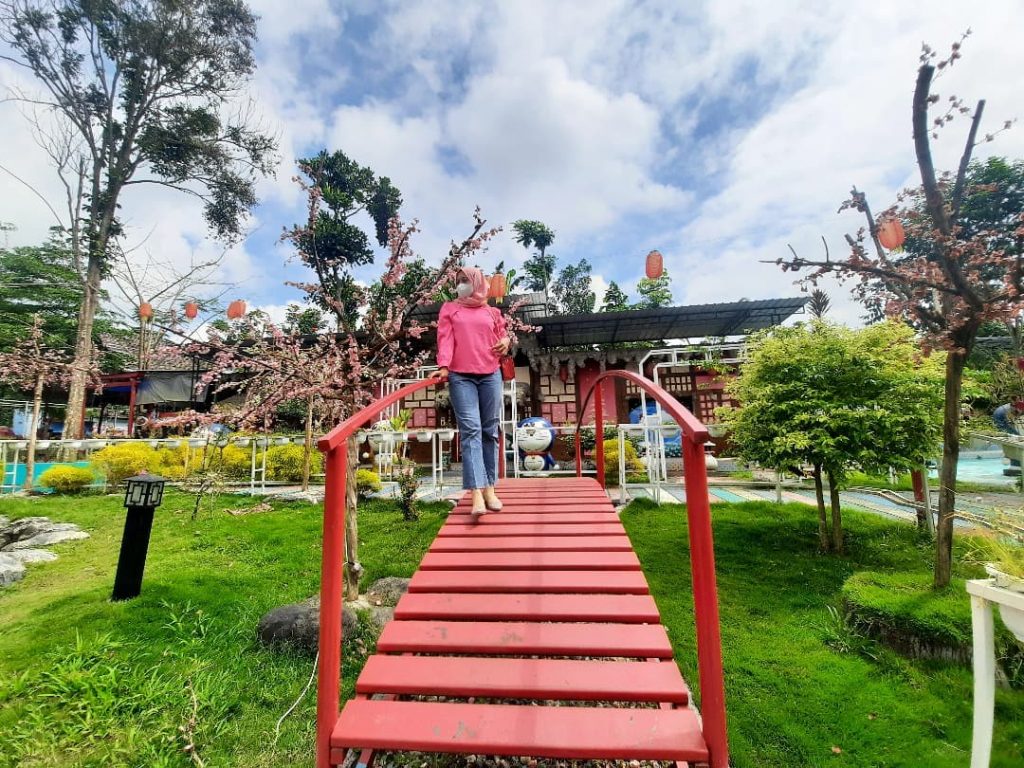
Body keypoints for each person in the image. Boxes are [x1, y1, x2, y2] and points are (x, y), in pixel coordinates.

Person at [432, 267, 512, 516]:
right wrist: (444, 366)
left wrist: (507, 342)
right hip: (460, 375)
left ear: (478, 282)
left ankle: (490, 488)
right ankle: (476, 492)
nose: (462, 285)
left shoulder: (493, 312)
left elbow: (502, 338)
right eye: (458, 281)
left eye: (466, 280)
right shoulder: (450, 309)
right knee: (471, 431)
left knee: (490, 431)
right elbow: (445, 339)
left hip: (490, 374)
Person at [993, 400, 1024, 467]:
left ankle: (1011, 459)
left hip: (1000, 420)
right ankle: (1015, 461)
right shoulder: (1010, 409)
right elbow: (1011, 419)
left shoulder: (1010, 406)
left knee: (1015, 437)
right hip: (1001, 422)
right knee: (1016, 437)